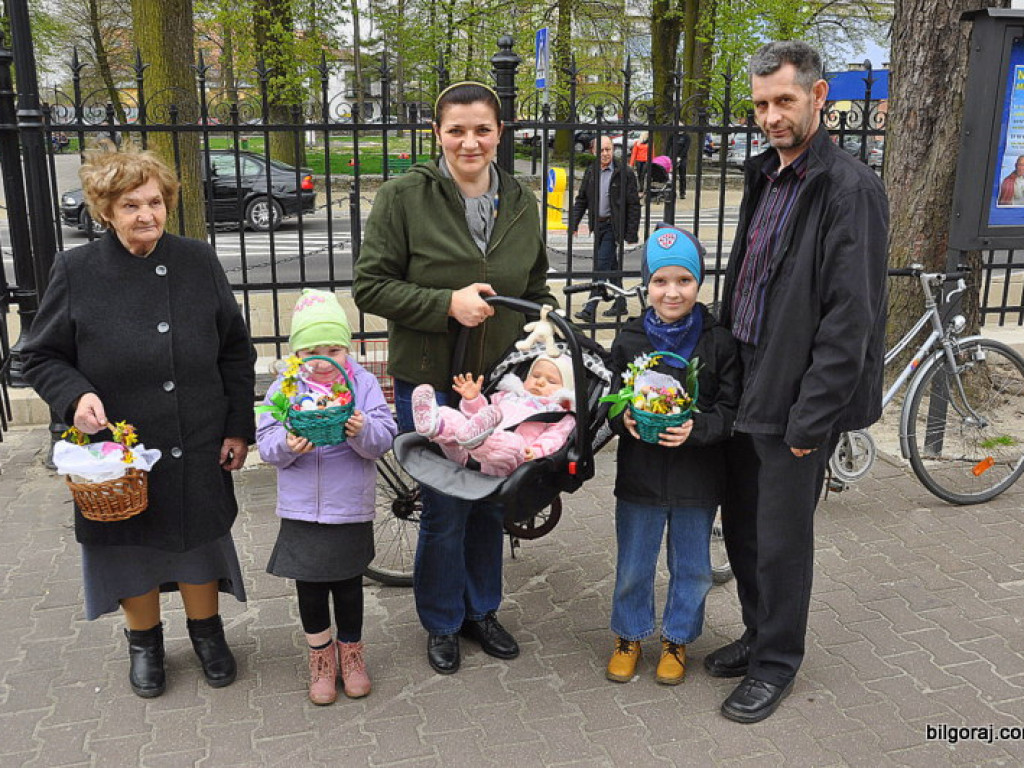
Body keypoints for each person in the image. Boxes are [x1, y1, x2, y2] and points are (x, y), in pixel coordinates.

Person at [21, 142, 256, 698]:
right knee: (131, 548)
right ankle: (145, 642)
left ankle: (208, 634)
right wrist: (74, 396)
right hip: (119, 448)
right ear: (105, 211)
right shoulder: (77, 269)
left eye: (154, 202)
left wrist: (237, 426)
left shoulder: (197, 260)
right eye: (130, 205)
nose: (146, 214)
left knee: (199, 540)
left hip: (197, 433)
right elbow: (38, 355)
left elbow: (234, 351)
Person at [353, 81, 557, 675]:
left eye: (483, 129)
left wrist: (538, 348)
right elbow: (371, 285)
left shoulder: (519, 199)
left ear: (500, 133)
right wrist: (446, 302)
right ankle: (442, 621)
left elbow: (535, 288)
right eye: (457, 130)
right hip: (433, 382)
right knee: (446, 506)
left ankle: (481, 610)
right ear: (438, 133)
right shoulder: (404, 197)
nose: (470, 142)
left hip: (499, 384)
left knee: (494, 500)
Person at [712, 41, 888, 723]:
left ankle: (778, 662)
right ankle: (757, 633)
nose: (770, 116)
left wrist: (811, 421)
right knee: (744, 525)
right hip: (747, 378)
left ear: (820, 97)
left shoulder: (850, 189)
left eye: (784, 100)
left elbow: (853, 319)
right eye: (760, 104)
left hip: (796, 392)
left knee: (783, 538)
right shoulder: (767, 173)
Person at [605, 225, 740, 686]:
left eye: (683, 280)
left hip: (697, 479)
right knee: (633, 565)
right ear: (647, 285)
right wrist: (619, 418)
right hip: (640, 478)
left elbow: (730, 409)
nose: (672, 291)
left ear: (698, 283)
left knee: (694, 568)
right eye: (660, 281)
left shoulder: (718, 341)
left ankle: (677, 639)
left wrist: (697, 428)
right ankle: (629, 636)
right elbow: (609, 399)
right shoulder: (629, 340)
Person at [256, 289, 397, 705]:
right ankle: (321, 657)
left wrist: (361, 432)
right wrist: (286, 443)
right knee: (311, 587)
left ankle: (351, 654)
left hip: (349, 503)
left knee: (349, 584)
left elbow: (384, 436)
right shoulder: (286, 385)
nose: (323, 359)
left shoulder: (363, 382)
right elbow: (265, 441)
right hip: (302, 508)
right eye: (313, 351)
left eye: (333, 347)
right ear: (298, 352)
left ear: (348, 346)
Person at [411, 354, 576, 477]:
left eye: (551, 381)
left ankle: (478, 439)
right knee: (456, 418)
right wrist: (473, 398)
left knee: (512, 443)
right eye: (535, 376)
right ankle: (435, 424)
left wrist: (536, 452)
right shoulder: (507, 395)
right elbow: (482, 414)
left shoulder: (558, 414)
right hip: (464, 450)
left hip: (507, 460)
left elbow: (554, 439)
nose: (539, 382)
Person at [570, 135, 641, 320]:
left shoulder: (624, 172)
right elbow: (582, 199)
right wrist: (574, 223)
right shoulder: (591, 171)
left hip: (613, 226)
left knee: (600, 266)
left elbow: (634, 204)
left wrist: (631, 233)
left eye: (608, 149)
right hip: (597, 225)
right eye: (601, 150)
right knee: (611, 266)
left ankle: (590, 307)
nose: (605, 154)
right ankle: (621, 303)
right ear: (593, 151)